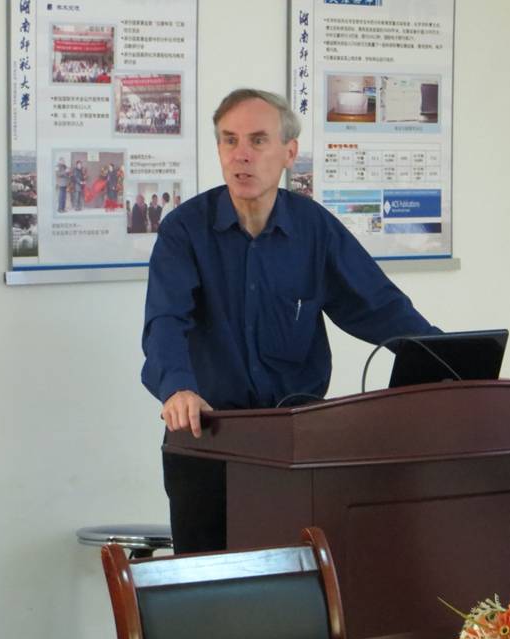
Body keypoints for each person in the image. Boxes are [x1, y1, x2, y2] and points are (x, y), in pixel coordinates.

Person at [141, 88, 438, 554]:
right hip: (208, 437)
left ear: (289, 152)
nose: (241, 155)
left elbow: (379, 308)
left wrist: (447, 362)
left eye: (258, 140)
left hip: (296, 441)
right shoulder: (184, 230)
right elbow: (165, 320)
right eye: (229, 140)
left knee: (300, 581)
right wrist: (177, 388)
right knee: (208, 586)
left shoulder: (314, 229)